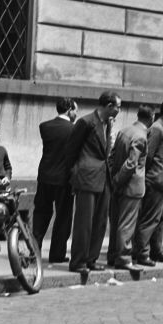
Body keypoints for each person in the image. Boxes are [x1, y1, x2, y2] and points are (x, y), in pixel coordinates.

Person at [64, 91, 122, 276]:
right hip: (87, 177)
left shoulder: (107, 124)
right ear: (109, 105)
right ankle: (79, 260)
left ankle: (91, 258)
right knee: (84, 222)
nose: (119, 110)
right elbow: (71, 151)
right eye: (118, 107)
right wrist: (74, 175)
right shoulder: (86, 122)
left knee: (100, 221)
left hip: (103, 177)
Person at [135, 99, 163, 264]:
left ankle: (156, 250)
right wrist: (149, 179)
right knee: (150, 219)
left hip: (162, 183)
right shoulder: (157, 129)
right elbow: (148, 156)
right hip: (154, 182)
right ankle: (142, 252)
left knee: (160, 220)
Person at [107, 105, 153, 270]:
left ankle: (113, 255)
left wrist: (114, 178)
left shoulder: (124, 131)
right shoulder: (141, 136)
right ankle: (124, 258)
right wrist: (119, 179)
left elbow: (112, 156)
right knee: (126, 224)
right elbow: (132, 163)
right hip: (131, 186)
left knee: (116, 222)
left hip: (119, 184)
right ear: (150, 117)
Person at [32, 98, 78, 264]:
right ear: (69, 109)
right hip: (63, 179)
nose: (76, 114)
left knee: (40, 214)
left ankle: (34, 250)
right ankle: (57, 254)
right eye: (75, 110)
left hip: (45, 176)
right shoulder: (73, 129)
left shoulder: (45, 126)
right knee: (63, 217)